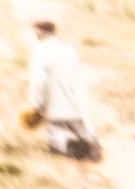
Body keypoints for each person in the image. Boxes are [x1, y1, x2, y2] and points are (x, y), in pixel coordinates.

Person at [19, 16, 99, 160]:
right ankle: (90, 144)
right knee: (82, 129)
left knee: (57, 135)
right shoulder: (69, 50)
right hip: (76, 105)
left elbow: (38, 82)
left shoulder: (39, 52)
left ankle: (68, 145)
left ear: (40, 32)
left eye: (36, 30)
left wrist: (36, 105)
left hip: (54, 107)